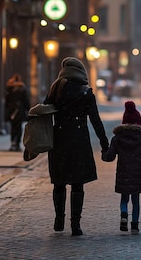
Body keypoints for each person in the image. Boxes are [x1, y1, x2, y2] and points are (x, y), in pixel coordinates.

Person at [44, 57, 110, 236]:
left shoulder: (55, 89)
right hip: (79, 141)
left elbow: (44, 112)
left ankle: (59, 219)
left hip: (59, 141)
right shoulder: (86, 92)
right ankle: (75, 224)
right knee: (77, 184)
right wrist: (105, 145)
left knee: (59, 182)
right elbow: (96, 121)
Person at [103, 100, 141, 234]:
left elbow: (109, 157)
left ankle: (124, 215)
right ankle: (135, 226)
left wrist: (104, 153)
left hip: (123, 174)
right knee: (136, 201)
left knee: (124, 199)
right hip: (137, 175)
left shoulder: (117, 138)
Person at [5, 73, 31, 151]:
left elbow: (7, 100)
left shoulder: (9, 88)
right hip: (20, 110)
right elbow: (26, 100)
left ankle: (12, 142)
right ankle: (17, 143)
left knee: (13, 127)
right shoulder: (22, 88)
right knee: (19, 127)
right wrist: (28, 109)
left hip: (12, 110)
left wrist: (8, 109)